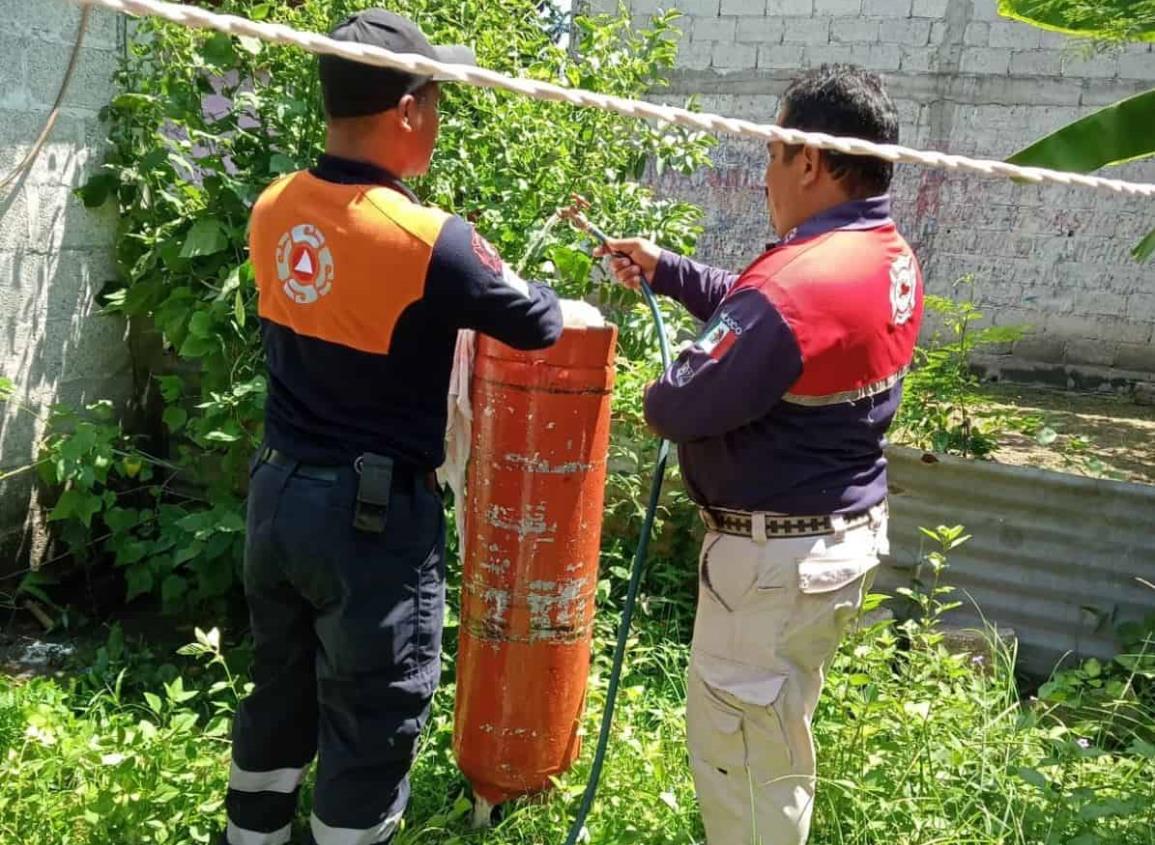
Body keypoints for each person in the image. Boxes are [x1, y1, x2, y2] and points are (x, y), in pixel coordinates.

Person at [223, 10, 563, 845]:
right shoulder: (428, 239)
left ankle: (248, 836)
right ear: (407, 111)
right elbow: (539, 323)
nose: (440, 123)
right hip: (369, 524)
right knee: (372, 716)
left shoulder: (274, 206)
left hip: (277, 495)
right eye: (437, 102)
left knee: (280, 685)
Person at [597, 65, 923, 845]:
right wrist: (668, 270)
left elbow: (677, 402)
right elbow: (765, 317)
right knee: (775, 734)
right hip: (833, 545)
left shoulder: (797, 284)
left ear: (809, 161)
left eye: (774, 151)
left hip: (771, 566)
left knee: (741, 763)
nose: (766, 172)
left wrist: (655, 384)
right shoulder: (884, 255)